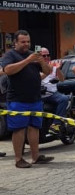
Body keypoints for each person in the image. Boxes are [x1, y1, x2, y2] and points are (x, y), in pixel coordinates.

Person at [2, 30, 54, 168]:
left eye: (28, 41)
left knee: (34, 127)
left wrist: (42, 62)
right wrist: (28, 60)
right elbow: (8, 70)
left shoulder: (33, 54)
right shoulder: (10, 55)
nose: (26, 44)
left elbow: (48, 72)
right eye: (23, 42)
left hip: (35, 98)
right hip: (17, 100)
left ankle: (35, 157)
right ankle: (19, 159)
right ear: (15, 42)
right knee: (19, 129)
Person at [40, 47, 69, 133]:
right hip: (39, 95)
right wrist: (50, 69)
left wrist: (58, 69)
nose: (46, 57)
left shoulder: (53, 66)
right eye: (44, 55)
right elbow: (38, 78)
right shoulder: (36, 66)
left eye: (48, 55)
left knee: (64, 99)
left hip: (51, 94)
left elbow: (62, 79)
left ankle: (56, 124)